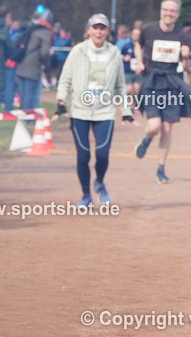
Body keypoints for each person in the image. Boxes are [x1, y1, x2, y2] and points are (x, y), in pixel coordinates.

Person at [55, 14, 133, 207]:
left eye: (102, 28)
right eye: (95, 28)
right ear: (88, 30)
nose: (98, 31)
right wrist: (61, 101)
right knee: (83, 156)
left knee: (103, 154)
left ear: (108, 32)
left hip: (104, 111)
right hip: (80, 110)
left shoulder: (115, 53)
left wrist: (125, 110)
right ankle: (85, 195)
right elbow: (65, 79)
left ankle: (99, 182)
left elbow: (120, 85)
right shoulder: (78, 51)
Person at [133, 0, 191, 184]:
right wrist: (139, 62)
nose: (169, 13)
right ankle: (146, 139)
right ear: (161, 11)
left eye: (172, 11)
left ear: (177, 14)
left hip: (171, 83)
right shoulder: (148, 29)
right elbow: (137, 45)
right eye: (166, 10)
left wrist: (186, 57)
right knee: (155, 126)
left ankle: (161, 168)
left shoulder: (182, 35)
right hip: (152, 80)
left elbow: (187, 67)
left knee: (166, 128)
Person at [15, 8, 54, 111]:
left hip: (21, 65)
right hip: (33, 68)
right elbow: (45, 53)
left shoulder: (31, 28)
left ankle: (22, 118)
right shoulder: (45, 33)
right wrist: (47, 68)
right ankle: (28, 119)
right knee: (30, 94)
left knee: (22, 95)